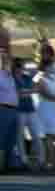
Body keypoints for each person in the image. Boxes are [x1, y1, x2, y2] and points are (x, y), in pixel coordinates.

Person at [0, 30, 18, 172]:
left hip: (13, 109)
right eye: (6, 61)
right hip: (3, 109)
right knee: (2, 138)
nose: (9, 63)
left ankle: (9, 164)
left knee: (11, 139)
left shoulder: (10, 76)